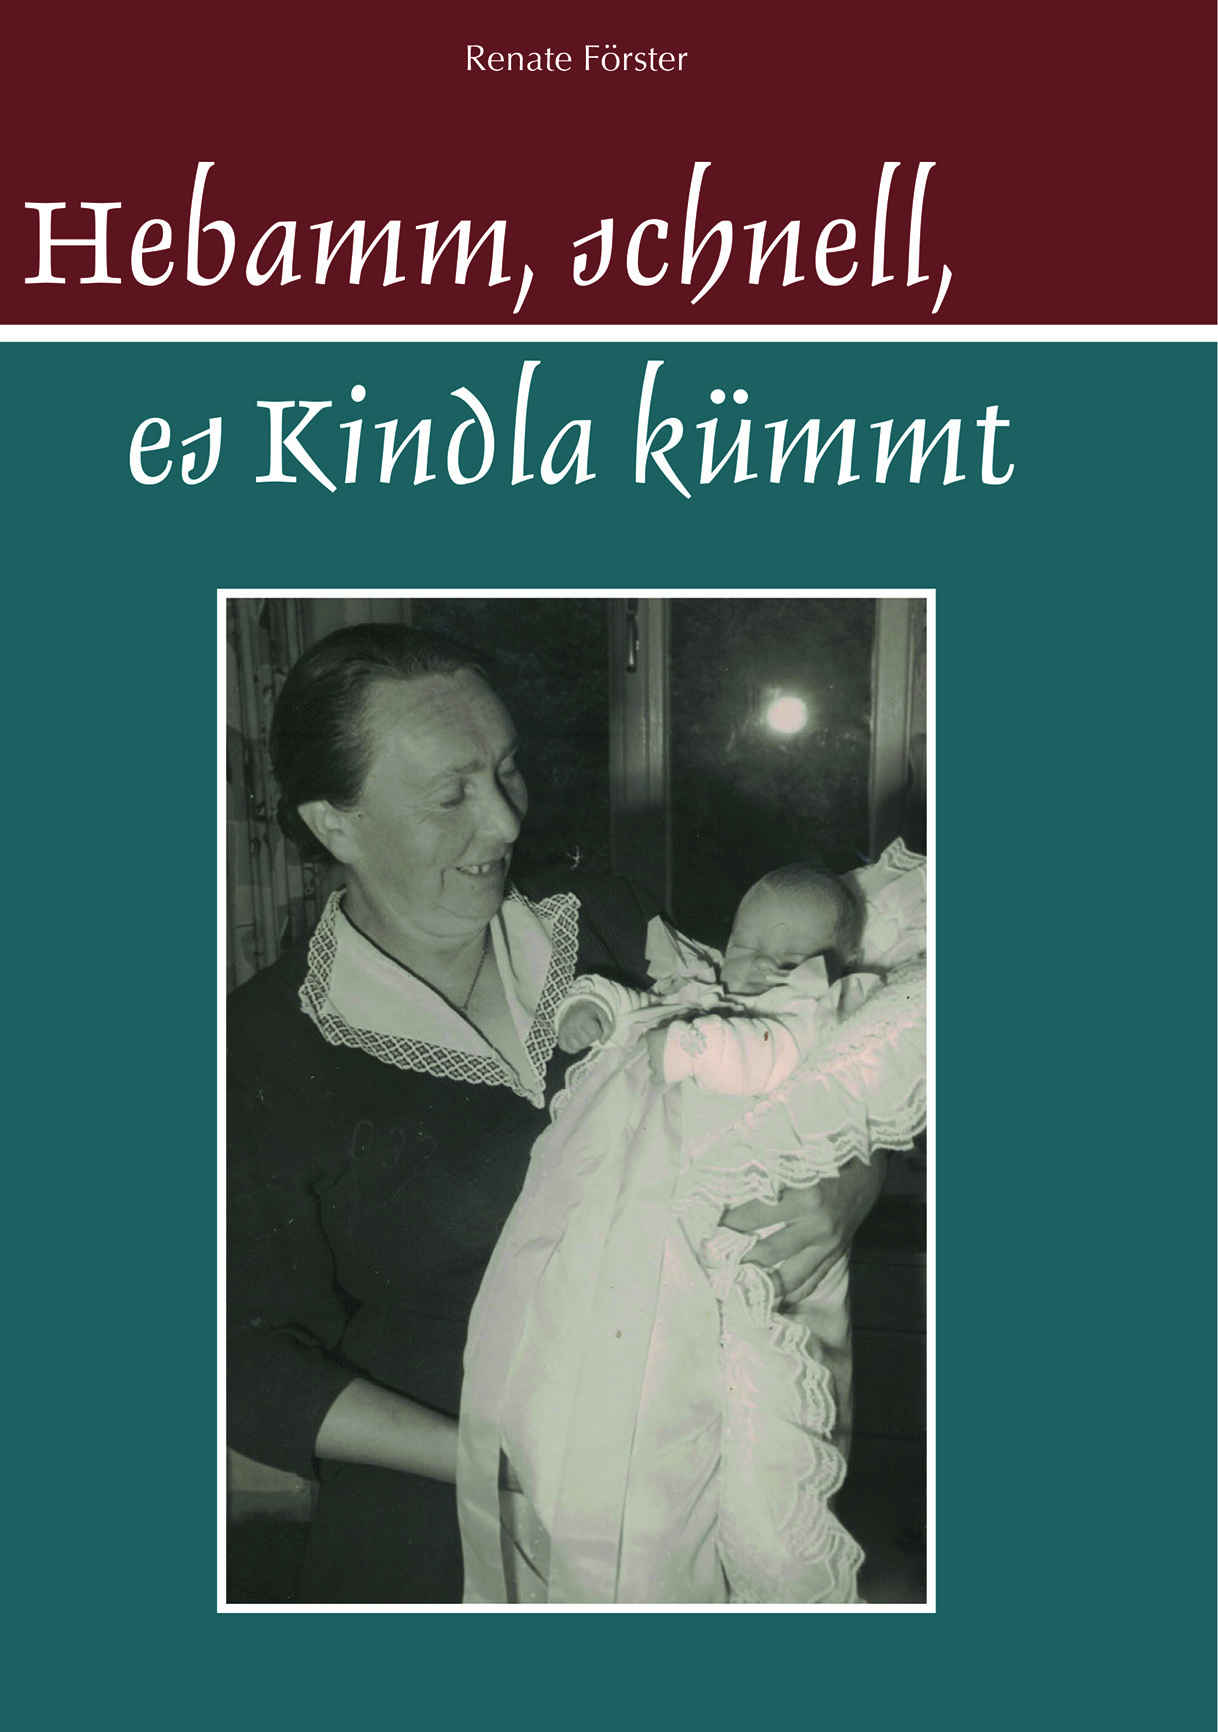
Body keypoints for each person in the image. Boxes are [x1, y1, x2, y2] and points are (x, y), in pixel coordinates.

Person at [227, 622, 888, 1604]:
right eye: (450, 794)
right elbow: (241, 1362)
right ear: (335, 824)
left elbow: (801, 1062)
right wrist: (497, 1462)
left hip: (682, 1482)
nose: (503, 822)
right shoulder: (261, 1048)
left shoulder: (609, 923)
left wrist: (851, 1182)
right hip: (442, 1528)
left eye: (507, 770)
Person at [458, 851, 926, 1604]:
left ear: (831, 968)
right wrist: (593, 1006)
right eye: (744, 946)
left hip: (716, 1223)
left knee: (697, 1421)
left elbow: (771, 1058)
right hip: (624, 1213)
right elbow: (637, 1004)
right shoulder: (701, 985)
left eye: (788, 961)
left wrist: (690, 1046)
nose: (759, 968)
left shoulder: (806, 1013)